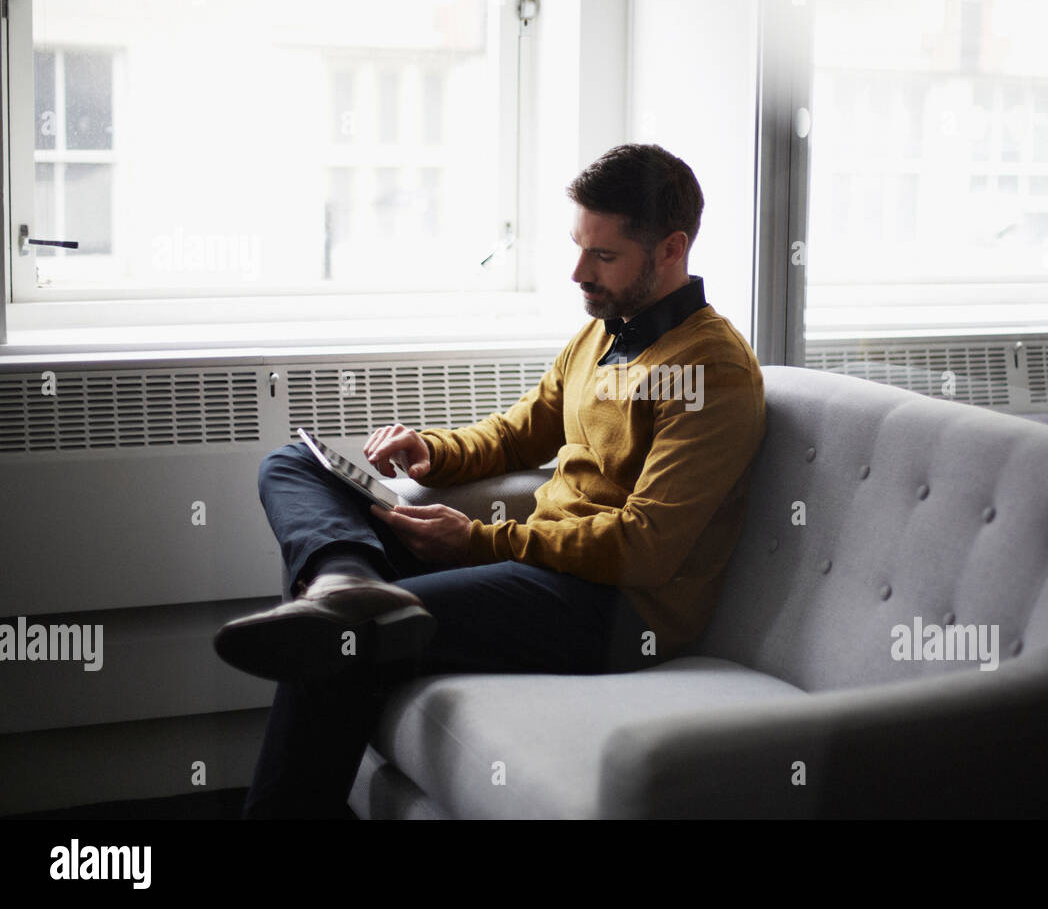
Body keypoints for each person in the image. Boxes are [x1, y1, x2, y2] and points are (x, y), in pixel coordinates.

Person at [215, 143, 767, 818]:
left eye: (603, 256)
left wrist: (480, 541)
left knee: (344, 644)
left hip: (615, 608)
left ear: (672, 249)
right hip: (540, 565)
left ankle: (347, 607)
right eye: (577, 247)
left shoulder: (711, 370)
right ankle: (344, 581)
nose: (577, 272)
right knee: (296, 464)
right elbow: (516, 432)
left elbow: (648, 546)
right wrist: (432, 451)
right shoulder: (602, 332)